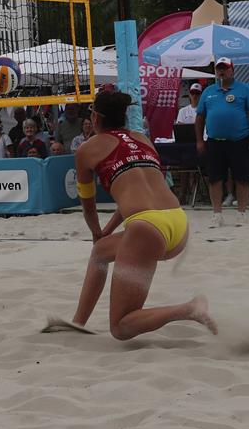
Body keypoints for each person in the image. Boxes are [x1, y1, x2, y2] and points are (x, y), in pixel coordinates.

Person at [47, 89, 215, 339]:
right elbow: (134, 198)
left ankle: (189, 308)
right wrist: (106, 234)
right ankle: (78, 323)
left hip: (147, 229)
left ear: (95, 117)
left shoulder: (87, 149)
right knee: (100, 251)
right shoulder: (142, 139)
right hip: (178, 221)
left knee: (121, 327)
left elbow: (88, 205)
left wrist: (96, 231)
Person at [194, 57, 249, 228]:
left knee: (242, 178)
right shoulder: (208, 91)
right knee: (214, 179)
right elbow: (200, 117)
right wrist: (199, 140)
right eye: (219, 68)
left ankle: (241, 213)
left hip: (239, 140)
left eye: (225, 68)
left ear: (232, 70)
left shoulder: (244, 89)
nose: (222, 71)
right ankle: (217, 214)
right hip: (215, 142)